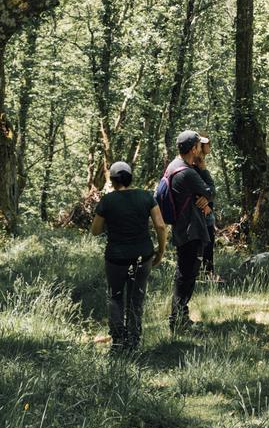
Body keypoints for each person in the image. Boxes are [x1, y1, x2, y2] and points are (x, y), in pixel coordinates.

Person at [90, 161, 166, 353]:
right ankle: (133, 341)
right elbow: (160, 226)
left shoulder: (107, 201)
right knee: (136, 298)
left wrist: (113, 222)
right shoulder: (146, 197)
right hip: (143, 255)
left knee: (115, 297)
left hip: (116, 258)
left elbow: (96, 230)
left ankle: (117, 341)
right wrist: (161, 250)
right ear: (130, 178)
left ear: (113, 181)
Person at [165, 129, 214, 333]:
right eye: (198, 146)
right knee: (187, 274)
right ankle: (178, 320)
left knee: (184, 273)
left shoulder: (174, 166)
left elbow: (205, 195)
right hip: (190, 230)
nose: (200, 150)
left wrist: (204, 197)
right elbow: (210, 190)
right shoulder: (187, 172)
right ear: (193, 148)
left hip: (182, 227)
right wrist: (203, 170)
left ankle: (180, 316)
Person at [196, 137, 219, 282]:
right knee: (206, 242)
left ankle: (207, 272)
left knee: (208, 241)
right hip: (202, 211)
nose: (210, 146)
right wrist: (204, 203)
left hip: (207, 209)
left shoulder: (201, 162)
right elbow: (203, 187)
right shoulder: (197, 163)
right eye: (208, 144)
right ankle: (206, 274)